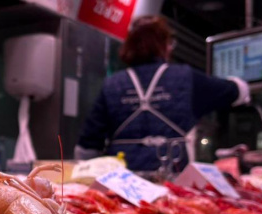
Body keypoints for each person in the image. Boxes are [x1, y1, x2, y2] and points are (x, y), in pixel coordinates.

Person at [77, 16, 250, 175]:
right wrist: (239, 83)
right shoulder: (185, 77)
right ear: (164, 45)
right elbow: (238, 91)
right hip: (171, 178)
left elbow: (88, 146)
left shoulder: (112, 84)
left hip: (120, 182)